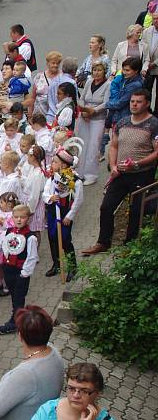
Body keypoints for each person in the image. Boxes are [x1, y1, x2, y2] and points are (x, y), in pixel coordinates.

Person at [84, 89, 158, 255]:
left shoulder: (153, 124)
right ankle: (103, 242)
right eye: (132, 101)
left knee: (136, 210)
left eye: (138, 102)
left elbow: (156, 152)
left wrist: (138, 163)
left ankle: (129, 245)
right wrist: (113, 166)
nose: (134, 104)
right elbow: (114, 146)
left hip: (142, 173)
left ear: (147, 103)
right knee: (106, 207)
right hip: (121, 173)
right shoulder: (123, 122)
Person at [0, 204, 39, 335]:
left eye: (22, 217)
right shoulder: (7, 232)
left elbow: (32, 257)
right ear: (12, 218)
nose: (19, 220)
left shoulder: (30, 237)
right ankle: (20, 317)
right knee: (14, 297)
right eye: (16, 217)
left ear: (28, 219)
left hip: (20, 272)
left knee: (19, 297)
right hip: (8, 269)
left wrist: (24, 274)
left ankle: (15, 322)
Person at [43, 148, 84, 279]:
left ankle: (72, 266)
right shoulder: (52, 178)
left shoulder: (75, 181)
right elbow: (44, 193)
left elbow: (78, 201)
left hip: (65, 213)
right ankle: (57, 264)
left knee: (65, 239)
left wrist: (69, 216)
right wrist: (50, 197)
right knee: (52, 237)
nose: (51, 165)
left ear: (64, 165)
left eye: (54, 162)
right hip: (52, 212)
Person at [75, 63, 110, 184]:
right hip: (84, 117)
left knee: (93, 146)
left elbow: (106, 103)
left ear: (104, 71)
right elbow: (82, 98)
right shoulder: (89, 82)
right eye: (94, 70)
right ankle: (79, 172)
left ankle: (91, 174)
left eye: (99, 70)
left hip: (97, 118)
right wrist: (84, 110)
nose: (96, 72)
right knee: (82, 144)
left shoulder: (108, 85)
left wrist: (93, 111)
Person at [107, 57, 145, 126]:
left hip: (125, 119)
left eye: (127, 70)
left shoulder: (136, 85)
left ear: (136, 71)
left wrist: (105, 105)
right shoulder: (126, 78)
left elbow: (120, 103)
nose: (124, 72)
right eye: (123, 70)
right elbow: (114, 85)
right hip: (119, 116)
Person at [29, 52, 63, 118]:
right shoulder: (39, 77)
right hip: (39, 116)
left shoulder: (63, 77)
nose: (55, 65)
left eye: (57, 63)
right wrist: (30, 114)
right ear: (47, 63)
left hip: (56, 115)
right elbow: (33, 97)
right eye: (53, 63)